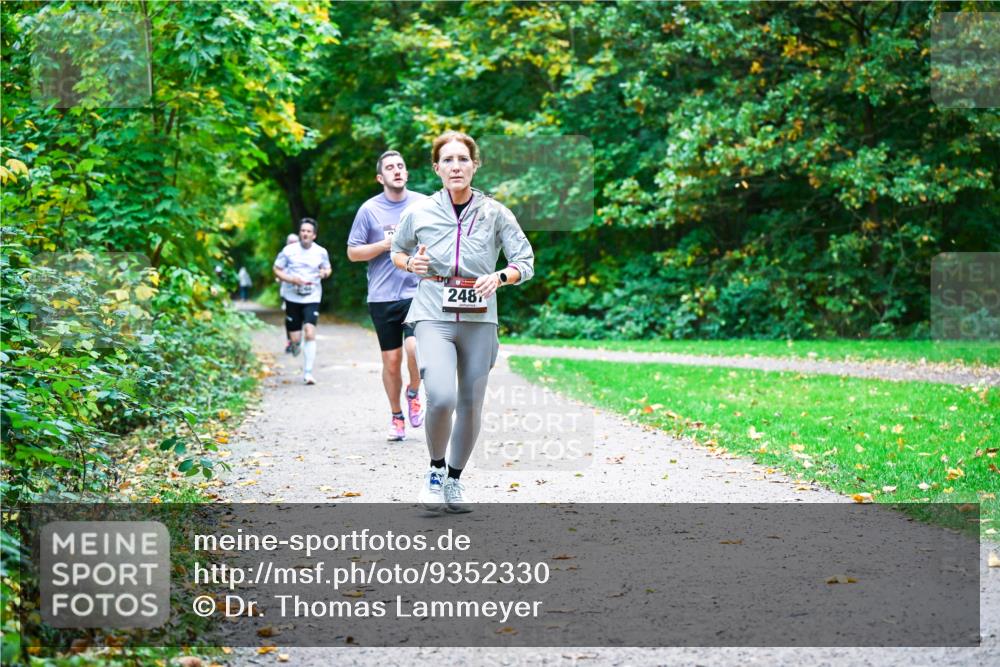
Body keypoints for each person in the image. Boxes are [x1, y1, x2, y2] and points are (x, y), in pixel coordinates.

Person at [391, 131, 534, 513]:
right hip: (433, 311)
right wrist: (411, 264)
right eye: (448, 160)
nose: (456, 166)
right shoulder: (418, 211)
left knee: (470, 404)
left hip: (480, 316)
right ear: (437, 168)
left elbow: (525, 261)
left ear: (475, 165)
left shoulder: (496, 212)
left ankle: (454, 479)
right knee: (440, 397)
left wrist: (501, 277)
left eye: (463, 159)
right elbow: (397, 251)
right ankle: (435, 471)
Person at [348, 151, 428, 441]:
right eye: (390, 168)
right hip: (382, 296)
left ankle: (414, 393)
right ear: (380, 177)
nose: (397, 171)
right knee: (391, 362)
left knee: (415, 349)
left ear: (406, 173)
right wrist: (385, 244)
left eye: (401, 166)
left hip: (417, 291)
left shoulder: (423, 204)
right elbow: (353, 252)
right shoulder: (369, 210)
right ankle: (396, 415)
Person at [273, 219, 331, 385]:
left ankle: (308, 373)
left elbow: (327, 268)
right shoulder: (289, 251)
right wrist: (291, 279)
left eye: (308, 231)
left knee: (310, 332)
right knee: (296, 339)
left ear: (314, 235)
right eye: (302, 231)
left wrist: (324, 273)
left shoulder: (321, 252)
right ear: (300, 233)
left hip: (312, 296)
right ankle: (294, 342)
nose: (305, 233)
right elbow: (276, 269)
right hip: (292, 296)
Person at [281, 233, 299, 354]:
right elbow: (278, 270)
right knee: (290, 318)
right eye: (290, 242)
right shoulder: (284, 254)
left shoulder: (304, 254)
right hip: (287, 291)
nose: (292, 244)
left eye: (294, 242)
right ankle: (290, 341)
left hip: (304, 292)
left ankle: (297, 339)